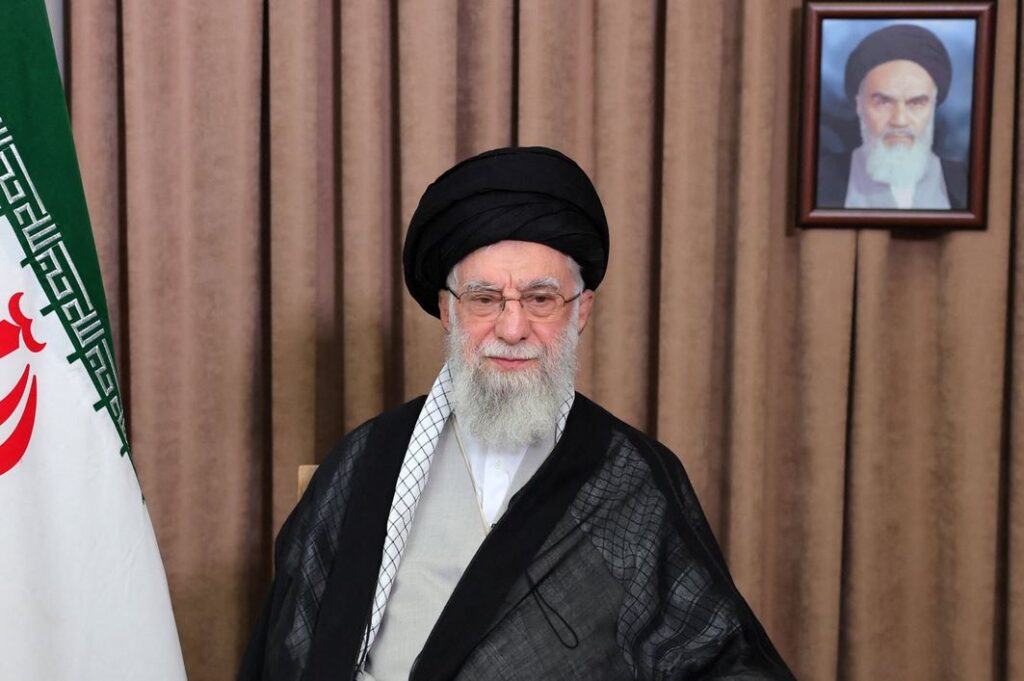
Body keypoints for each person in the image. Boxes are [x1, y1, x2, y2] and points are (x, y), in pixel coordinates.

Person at [238, 147, 795, 681]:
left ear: (581, 311)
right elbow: (290, 648)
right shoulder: (370, 459)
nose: (511, 328)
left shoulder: (631, 478)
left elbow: (719, 657)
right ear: (447, 310)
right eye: (484, 299)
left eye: (540, 299)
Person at [817, 24, 968, 210]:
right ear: (859, 105)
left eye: (916, 103)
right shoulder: (820, 180)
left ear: (933, 106)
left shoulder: (965, 182)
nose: (899, 120)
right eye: (883, 102)